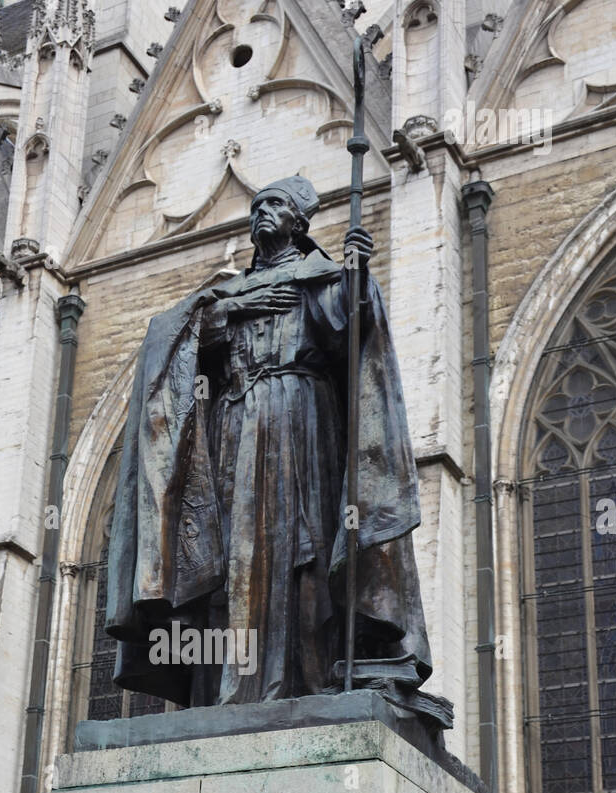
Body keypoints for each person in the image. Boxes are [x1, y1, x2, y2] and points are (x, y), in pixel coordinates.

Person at [106, 174, 443, 720]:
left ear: (300, 223)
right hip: (235, 421)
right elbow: (171, 338)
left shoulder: (320, 277)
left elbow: (350, 333)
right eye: (258, 205)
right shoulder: (228, 292)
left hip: (300, 418)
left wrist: (356, 276)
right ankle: (228, 686)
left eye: (277, 205)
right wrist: (237, 308)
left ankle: (310, 679)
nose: (263, 212)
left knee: (299, 551)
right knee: (235, 554)